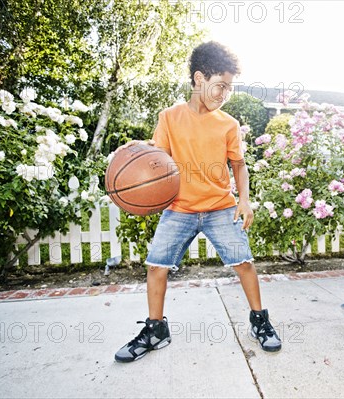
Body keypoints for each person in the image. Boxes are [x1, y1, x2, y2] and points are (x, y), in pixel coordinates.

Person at [114, 41, 282, 363]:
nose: (224, 94)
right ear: (199, 78)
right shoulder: (170, 117)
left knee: (244, 263)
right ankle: (155, 330)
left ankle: (259, 321)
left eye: (229, 89)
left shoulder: (228, 125)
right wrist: (140, 152)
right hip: (180, 208)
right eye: (220, 86)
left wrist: (243, 201)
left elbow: (239, 165)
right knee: (156, 267)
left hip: (220, 207)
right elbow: (158, 158)